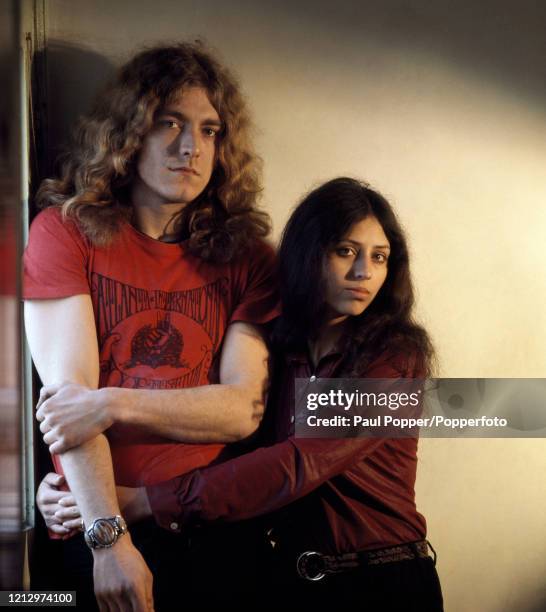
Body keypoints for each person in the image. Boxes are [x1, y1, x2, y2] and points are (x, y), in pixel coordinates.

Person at [39, 177, 444, 610]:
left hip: (382, 580)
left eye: (379, 257)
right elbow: (237, 449)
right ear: (309, 254)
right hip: (288, 581)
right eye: (346, 251)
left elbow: (297, 463)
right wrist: (75, 494)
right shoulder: (281, 347)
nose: (364, 272)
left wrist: (142, 501)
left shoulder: (395, 357)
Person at [24, 42, 279, 611]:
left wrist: (112, 403)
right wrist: (108, 539)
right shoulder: (63, 233)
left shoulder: (250, 257)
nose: (191, 147)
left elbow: (241, 410)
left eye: (211, 131)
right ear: (128, 133)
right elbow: (69, 404)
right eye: (171, 123)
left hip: (207, 530)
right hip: (88, 525)